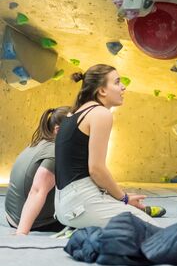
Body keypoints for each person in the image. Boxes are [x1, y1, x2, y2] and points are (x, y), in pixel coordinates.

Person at [54, 64, 163, 229]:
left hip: (64, 205)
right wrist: (123, 198)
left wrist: (122, 198)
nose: (123, 87)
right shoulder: (100, 113)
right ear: (102, 91)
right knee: (153, 230)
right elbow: (96, 169)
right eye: (117, 82)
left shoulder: (73, 113)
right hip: (79, 205)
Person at [5, 107, 70, 235]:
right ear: (58, 130)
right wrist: (22, 232)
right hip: (32, 222)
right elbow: (37, 191)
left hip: (11, 215)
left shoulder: (38, 143)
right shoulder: (55, 153)